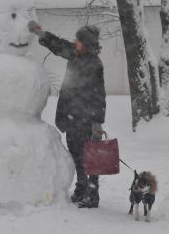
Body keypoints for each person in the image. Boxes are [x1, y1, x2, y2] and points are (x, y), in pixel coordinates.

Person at [28, 20, 106, 208]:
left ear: (86, 44)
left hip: (86, 119)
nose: (75, 41)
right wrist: (41, 33)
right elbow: (58, 44)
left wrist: (97, 123)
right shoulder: (76, 54)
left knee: (90, 157)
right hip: (72, 116)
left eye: (78, 40)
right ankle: (81, 189)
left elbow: (99, 95)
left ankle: (92, 195)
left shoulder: (94, 64)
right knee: (76, 155)